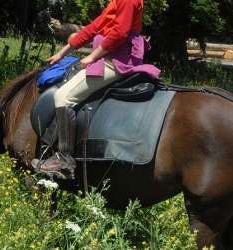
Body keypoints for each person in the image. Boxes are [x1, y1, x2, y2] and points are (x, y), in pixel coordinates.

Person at [32, 0, 160, 179]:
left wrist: (92, 56)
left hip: (117, 59)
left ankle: (64, 160)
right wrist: (63, 52)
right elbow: (96, 26)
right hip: (110, 54)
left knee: (62, 97)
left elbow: (119, 32)